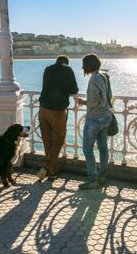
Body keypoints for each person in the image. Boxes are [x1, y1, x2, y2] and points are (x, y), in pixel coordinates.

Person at [37, 55, 78, 181]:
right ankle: (47, 167)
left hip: (43, 109)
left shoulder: (47, 69)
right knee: (58, 140)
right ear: (66, 63)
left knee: (47, 141)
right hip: (57, 111)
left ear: (56, 61)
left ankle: (53, 172)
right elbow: (74, 89)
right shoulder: (68, 70)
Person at [77, 53, 112, 190]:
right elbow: (108, 97)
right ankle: (102, 176)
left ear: (87, 66)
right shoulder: (105, 76)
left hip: (94, 120)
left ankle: (92, 181)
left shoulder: (93, 79)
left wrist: (83, 102)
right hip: (106, 117)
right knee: (103, 148)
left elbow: (93, 102)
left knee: (87, 149)